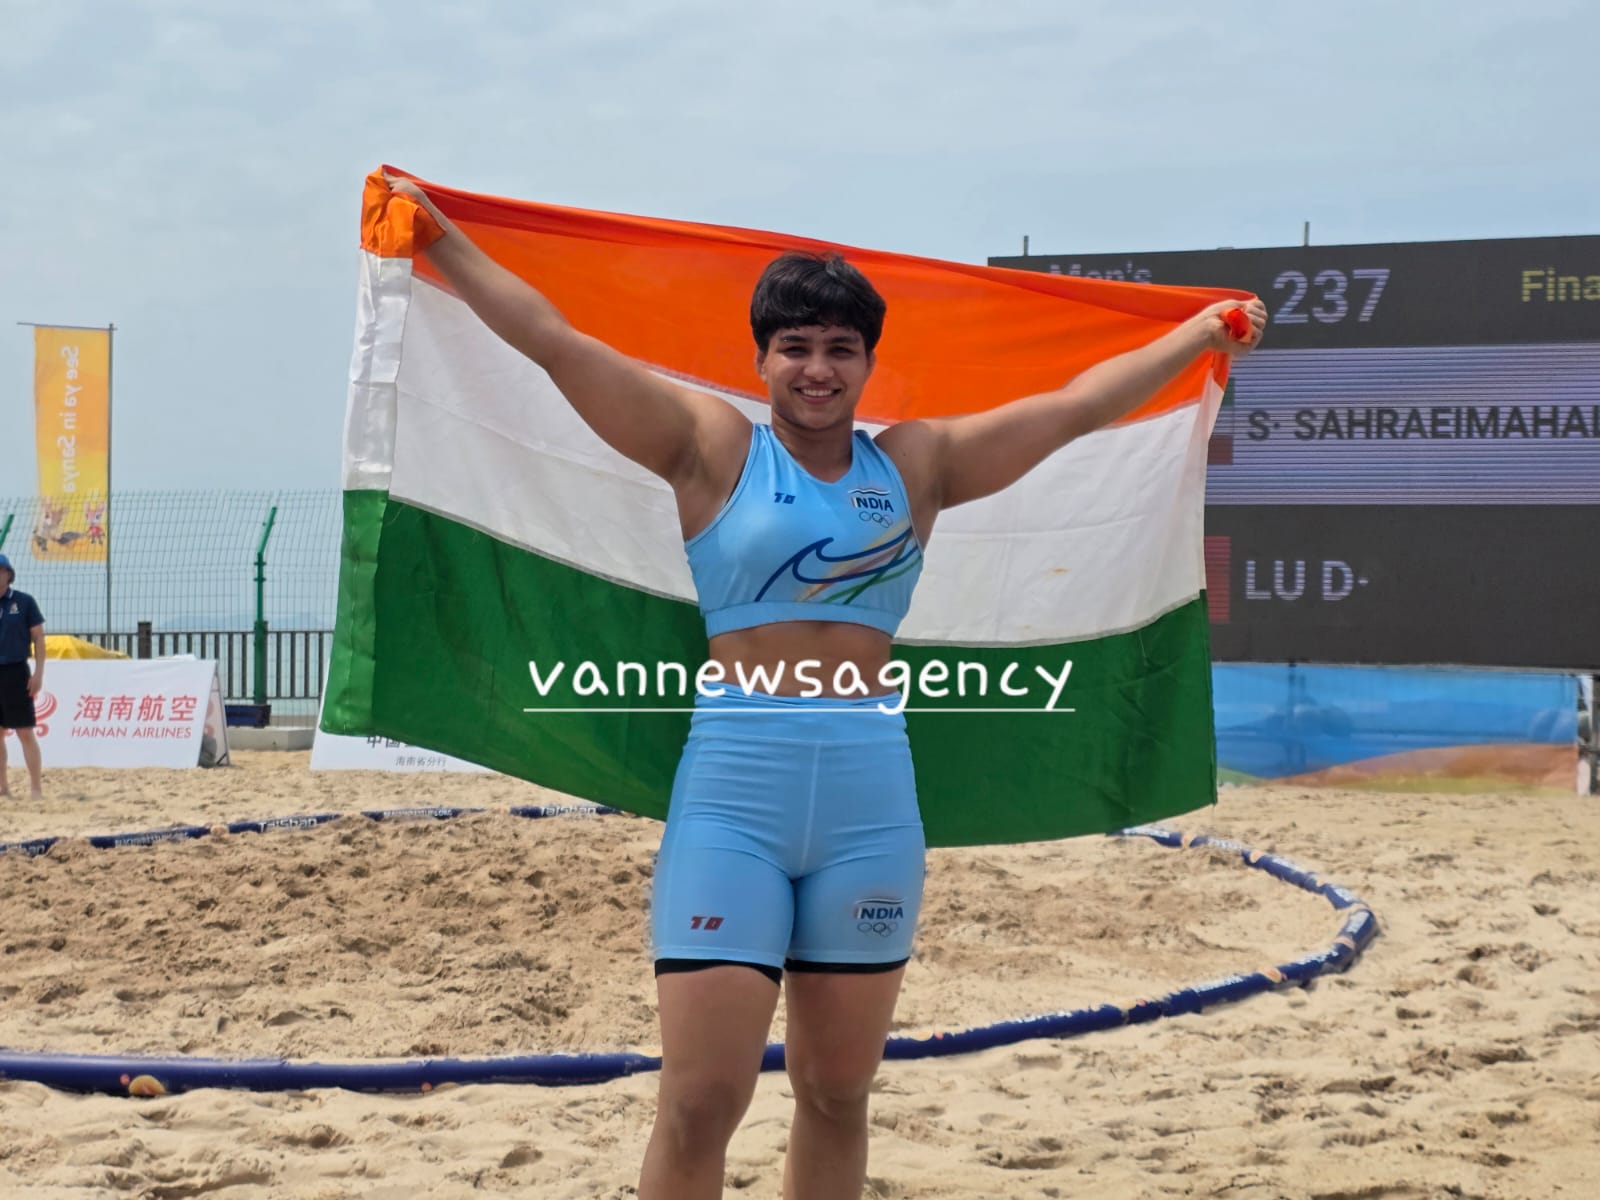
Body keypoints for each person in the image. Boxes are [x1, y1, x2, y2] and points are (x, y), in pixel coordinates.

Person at [382, 174, 1265, 1199]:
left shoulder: (918, 465)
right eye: (795, 345)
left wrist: (1198, 336)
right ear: (760, 358)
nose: (816, 367)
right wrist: (441, 244)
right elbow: (556, 342)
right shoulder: (709, 448)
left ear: (866, 364)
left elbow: (1072, 411)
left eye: (840, 348)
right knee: (702, 1099)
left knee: (839, 1092)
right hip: (732, 804)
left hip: (867, 807)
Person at [0, 552, 47, 799]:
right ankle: (3, 787)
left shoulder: (24, 602)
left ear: (9, 574)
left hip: (16, 671)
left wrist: (38, 673)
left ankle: (36, 788)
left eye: (1, 570)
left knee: (25, 731)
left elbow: (39, 637)